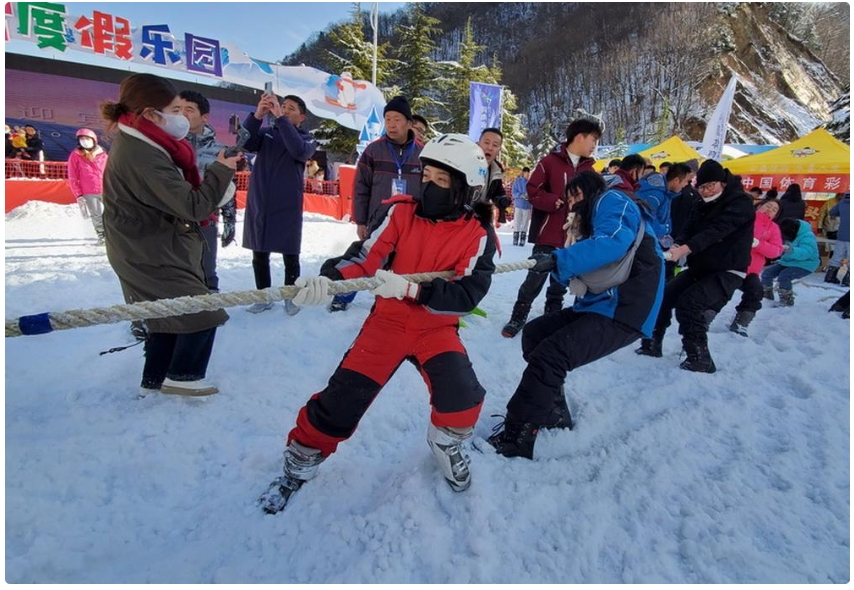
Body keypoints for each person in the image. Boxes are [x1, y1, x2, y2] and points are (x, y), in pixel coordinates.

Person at [258, 134, 496, 513]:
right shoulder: (400, 213)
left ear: (466, 190)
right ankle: (302, 457)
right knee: (343, 398)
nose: (430, 186)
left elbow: (467, 295)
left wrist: (414, 290)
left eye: (442, 180)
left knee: (463, 395)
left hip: (435, 328)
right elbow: (366, 258)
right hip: (388, 324)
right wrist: (330, 280)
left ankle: (447, 442)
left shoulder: (477, 234)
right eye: (426, 176)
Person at [487, 171, 664, 459]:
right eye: (569, 200)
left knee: (552, 354)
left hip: (626, 309)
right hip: (602, 305)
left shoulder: (611, 199)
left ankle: (517, 435)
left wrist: (559, 259)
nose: (572, 205)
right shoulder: (595, 215)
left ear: (592, 189)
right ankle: (553, 411)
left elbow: (613, 243)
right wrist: (559, 264)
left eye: (576, 196)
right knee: (536, 334)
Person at [100, 73, 239, 396]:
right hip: (147, 249)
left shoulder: (145, 141)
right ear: (151, 113)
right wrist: (221, 172)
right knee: (202, 312)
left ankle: (155, 380)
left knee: (166, 315)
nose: (181, 117)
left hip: (153, 243)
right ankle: (183, 376)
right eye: (175, 110)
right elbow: (192, 206)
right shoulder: (142, 153)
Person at [636, 159, 754, 373]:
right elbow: (689, 229)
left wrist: (685, 248)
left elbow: (716, 231)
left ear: (723, 183)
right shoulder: (700, 204)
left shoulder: (740, 203)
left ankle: (699, 357)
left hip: (727, 269)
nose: (706, 191)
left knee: (690, 304)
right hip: (700, 267)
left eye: (710, 186)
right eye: (702, 187)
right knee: (663, 296)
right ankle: (652, 343)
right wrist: (677, 244)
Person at [501, 118, 602, 338]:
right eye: (593, 139)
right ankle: (518, 316)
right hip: (548, 233)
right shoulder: (549, 162)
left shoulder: (591, 170)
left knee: (560, 283)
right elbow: (532, 190)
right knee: (534, 278)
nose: (595, 145)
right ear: (580, 137)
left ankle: (551, 319)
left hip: (573, 237)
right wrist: (551, 200)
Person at [329, 95, 423, 312]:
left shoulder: (422, 153)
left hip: (410, 223)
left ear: (409, 123)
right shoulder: (373, 151)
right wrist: (361, 221)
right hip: (378, 221)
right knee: (367, 260)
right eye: (388, 119)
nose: (391, 124)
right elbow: (360, 188)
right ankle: (343, 296)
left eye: (397, 119)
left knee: (406, 265)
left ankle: (398, 303)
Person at [242, 92, 317, 315]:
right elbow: (245, 142)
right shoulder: (266, 134)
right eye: (283, 106)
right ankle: (263, 296)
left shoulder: (307, 139)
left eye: (291, 109)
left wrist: (281, 120)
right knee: (259, 250)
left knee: (290, 252)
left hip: (287, 203)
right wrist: (258, 115)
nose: (283, 110)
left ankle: (290, 296)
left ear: (301, 117)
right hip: (261, 199)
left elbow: (298, 151)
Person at [179, 90, 238, 292]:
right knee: (174, 273)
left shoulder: (219, 150)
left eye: (189, 109)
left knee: (207, 271)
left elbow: (228, 188)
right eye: (178, 109)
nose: (183, 114)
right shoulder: (168, 146)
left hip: (206, 218)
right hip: (173, 218)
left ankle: (210, 307)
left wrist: (229, 222)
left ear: (204, 117)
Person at [728, 199, 784, 336]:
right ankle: (703, 319)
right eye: (768, 206)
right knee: (720, 293)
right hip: (730, 266)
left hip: (751, 271)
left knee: (756, 292)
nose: (770, 210)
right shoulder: (745, 218)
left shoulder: (773, 228)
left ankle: (741, 323)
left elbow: (776, 251)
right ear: (759, 206)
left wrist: (759, 244)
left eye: (774, 210)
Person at [760, 218, 820, 306]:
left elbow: (807, 252)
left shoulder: (807, 236)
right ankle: (766, 296)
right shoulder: (786, 232)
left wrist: (791, 250)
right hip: (788, 261)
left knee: (784, 276)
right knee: (767, 273)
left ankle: (786, 300)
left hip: (806, 264)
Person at [635, 162, 693, 250]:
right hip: (645, 244)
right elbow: (646, 223)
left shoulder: (666, 193)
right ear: (676, 180)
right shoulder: (654, 195)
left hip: (655, 241)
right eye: (685, 181)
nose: (686, 185)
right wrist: (665, 229)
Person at [67, 128, 109, 245]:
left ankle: (112, 234)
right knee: (96, 215)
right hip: (89, 191)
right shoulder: (75, 155)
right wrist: (78, 194)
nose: (84, 141)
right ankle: (102, 236)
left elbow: (110, 171)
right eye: (81, 139)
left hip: (106, 189)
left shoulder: (103, 154)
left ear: (93, 140)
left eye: (87, 138)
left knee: (112, 212)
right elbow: (72, 176)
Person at [665, 158, 700, 280]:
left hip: (672, 236)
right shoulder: (689, 193)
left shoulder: (675, 191)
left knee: (669, 266)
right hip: (677, 236)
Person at [478, 127, 512, 225]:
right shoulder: (463, 162)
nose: (490, 148)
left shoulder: (496, 169)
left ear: (499, 149)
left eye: (495, 145)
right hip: (457, 219)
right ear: (478, 143)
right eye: (486, 142)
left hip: (480, 218)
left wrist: (501, 199)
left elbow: (497, 191)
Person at [825, 192, 850, 286]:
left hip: (841, 235)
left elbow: (832, 212)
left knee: (837, 256)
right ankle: (847, 280)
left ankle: (830, 276)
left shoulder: (842, 202)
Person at [511, 166, 531, 246]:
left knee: (525, 222)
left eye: (528, 174)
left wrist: (529, 196)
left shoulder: (530, 183)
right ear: (523, 173)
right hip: (518, 205)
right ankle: (515, 238)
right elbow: (513, 192)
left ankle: (523, 238)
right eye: (527, 174)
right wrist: (521, 195)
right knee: (517, 221)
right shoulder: (517, 182)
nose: (528, 175)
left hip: (527, 206)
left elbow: (533, 193)